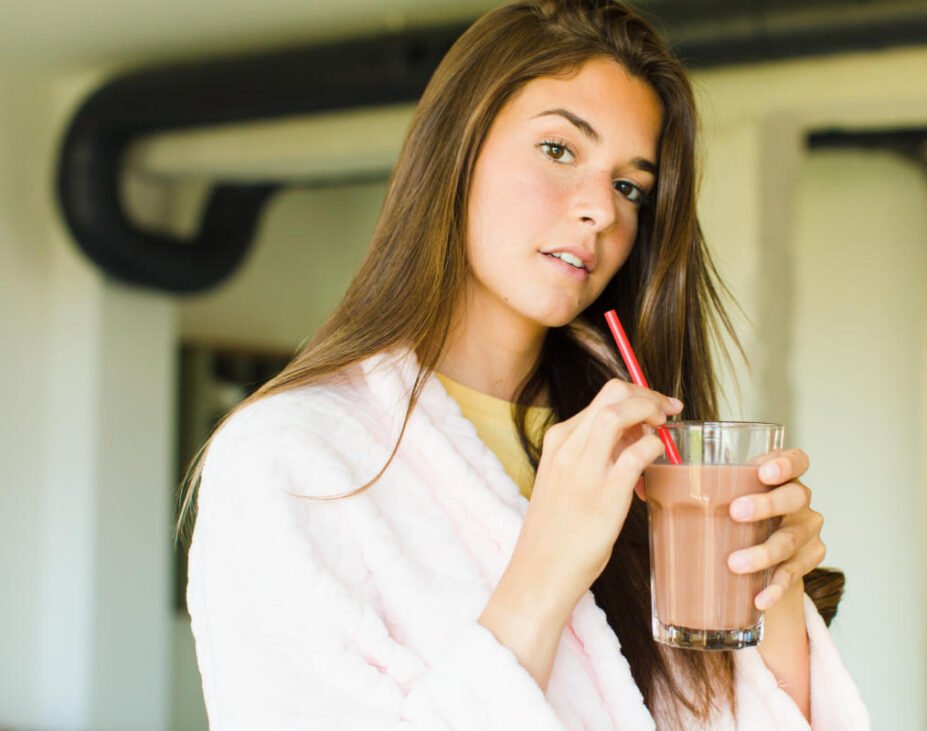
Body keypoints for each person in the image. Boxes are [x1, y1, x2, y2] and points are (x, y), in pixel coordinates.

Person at [181, 0, 870, 728]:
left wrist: (778, 599)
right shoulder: (290, 460)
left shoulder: (639, 460)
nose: (601, 210)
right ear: (459, 146)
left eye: (629, 186)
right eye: (559, 150)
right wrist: (548, 564)